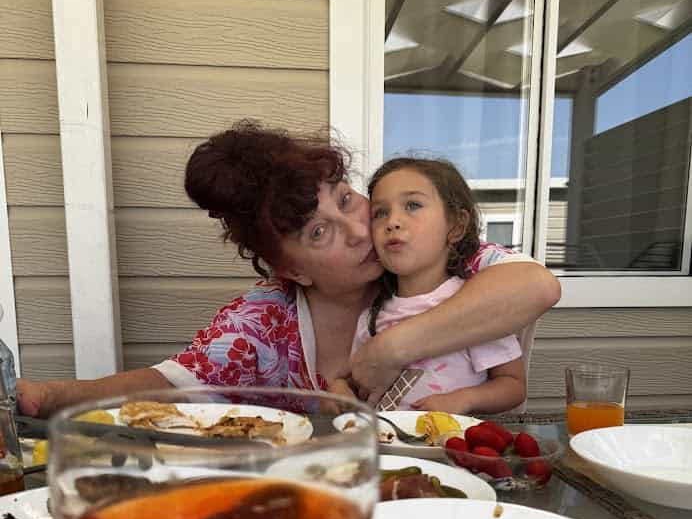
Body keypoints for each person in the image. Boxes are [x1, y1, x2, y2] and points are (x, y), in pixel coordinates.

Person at [16, 121, 560, 417]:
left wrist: (389, 349)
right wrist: (57, 395)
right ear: (290, 271)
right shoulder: (266, 319)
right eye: (318, 232)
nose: (358, 230)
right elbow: (172, 382)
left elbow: (538, 285)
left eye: (347, 201)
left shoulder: (436, 264)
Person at [342, 157, 525, 413]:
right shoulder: (371, 316)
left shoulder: (477, 308)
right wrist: (341, 388)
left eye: (413, 205)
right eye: (380, 212)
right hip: (384, 449)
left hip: (452, 449)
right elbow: (361, 379)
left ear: (456, 226)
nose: (392, 221)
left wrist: (464, 399)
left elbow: (513, 385)